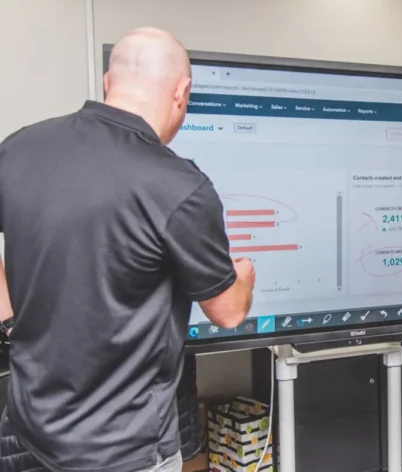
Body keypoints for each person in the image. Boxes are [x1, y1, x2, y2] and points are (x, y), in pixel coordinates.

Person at [0, 27, 255, 472]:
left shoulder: (19, 148)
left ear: (107, 82)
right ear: (182, 92)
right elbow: (228, 312)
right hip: (126, 452)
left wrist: (10, 320)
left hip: (28, 432)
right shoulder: (179, 185)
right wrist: (245, 277)